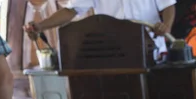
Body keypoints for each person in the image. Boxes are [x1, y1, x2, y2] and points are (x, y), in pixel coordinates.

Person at [25, 0, 177, 61]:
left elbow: (168, 5)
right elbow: (71, 11)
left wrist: (166, 26)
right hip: (112, 51)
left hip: (150, 49)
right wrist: (41, 26)